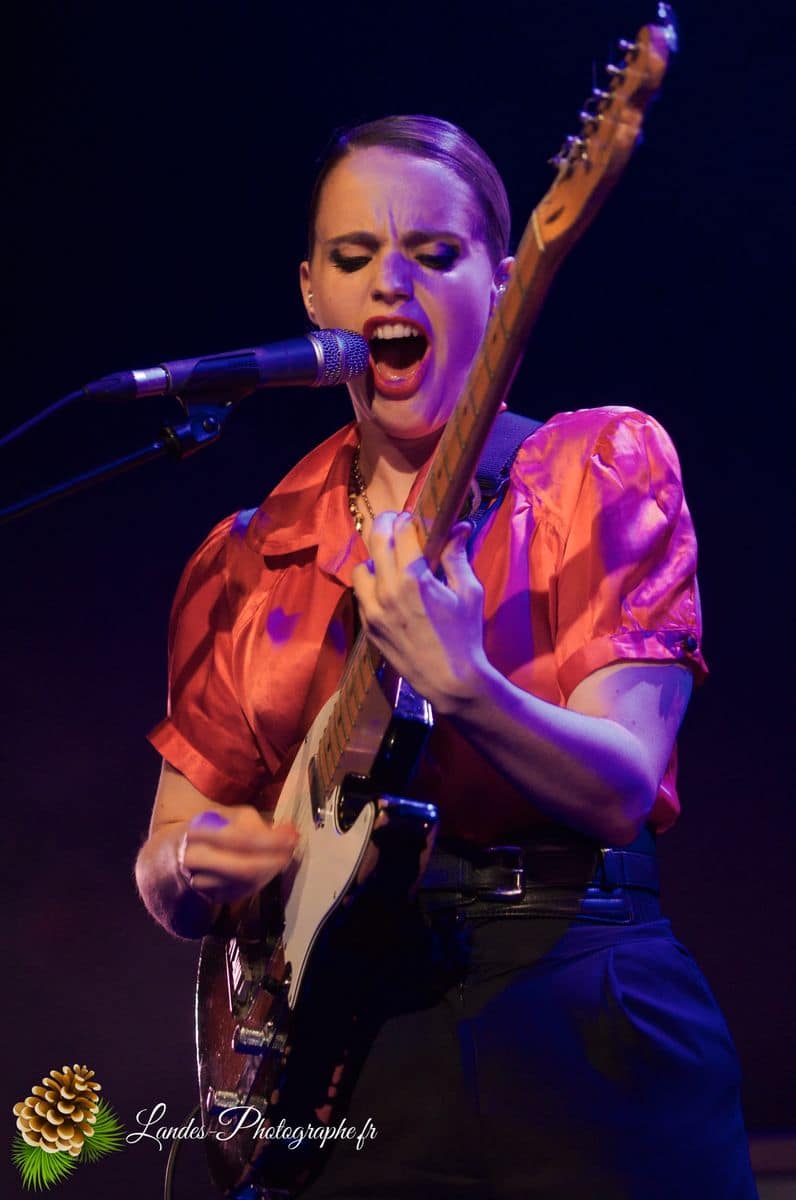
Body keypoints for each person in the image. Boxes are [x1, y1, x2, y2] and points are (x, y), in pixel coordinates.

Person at [135, 115, 757, 1199]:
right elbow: (163, 857)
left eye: (434, 254)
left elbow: (621, 785)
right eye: (354, 256)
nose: (390, 284)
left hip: (579, 1000)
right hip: (344, 1057)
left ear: (505, 286)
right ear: (311, 295)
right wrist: (197, 867)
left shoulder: (595, 469)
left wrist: (466, 687)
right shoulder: (248, 553)